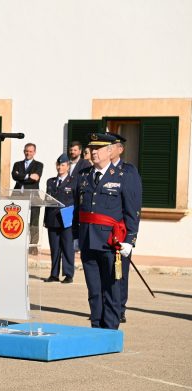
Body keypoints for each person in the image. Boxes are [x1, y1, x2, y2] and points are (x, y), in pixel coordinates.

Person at [73, 133, 141, 330]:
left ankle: (110, 329)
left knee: (111, 287)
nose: (94, 152)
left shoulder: (123, 176)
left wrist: (130, 239)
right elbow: (78, 209)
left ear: (110, 151)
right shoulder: (84, 176)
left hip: (111, 242)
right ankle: (96, 327)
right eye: (92, 148)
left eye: (99, 148)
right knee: (94, 289)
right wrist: (76, 236)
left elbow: (132, 211)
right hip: (88, 239)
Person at [106, 131, 142, 323]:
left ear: (120, 149)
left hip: (120, 232)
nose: (107, 150)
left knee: (119, 272)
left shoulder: (128, 171)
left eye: (111, 146)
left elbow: (133, 206)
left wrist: (131, 239)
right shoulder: (97, 171)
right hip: (101, 232)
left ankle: (119, 308)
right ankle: (106, 308)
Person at [43, 154, 76, 284]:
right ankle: (54, 273)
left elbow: (76, 201)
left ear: (68, 166)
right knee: (54, 247)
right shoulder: (50, 181)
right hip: (52, 218)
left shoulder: (74, 181)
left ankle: (68, 274)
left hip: (67, 217)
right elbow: (47, 200)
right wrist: (46, 218)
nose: (60, 167)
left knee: (67, 247)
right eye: (58, 164)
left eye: (63, 165)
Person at [11, 143, 43, 252]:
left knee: (34, 221)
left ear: (34, 152)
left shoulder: (39, 165)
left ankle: (33, 247)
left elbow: (36, 178)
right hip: (18, 195)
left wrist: (21, 176)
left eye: (30, 151)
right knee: (17, 219)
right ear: (23, 151)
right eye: (26, 151)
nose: (28, 153)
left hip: (33, 195)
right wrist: (28, 176)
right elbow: (14, 176)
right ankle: (17, 244)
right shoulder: (17, 164)